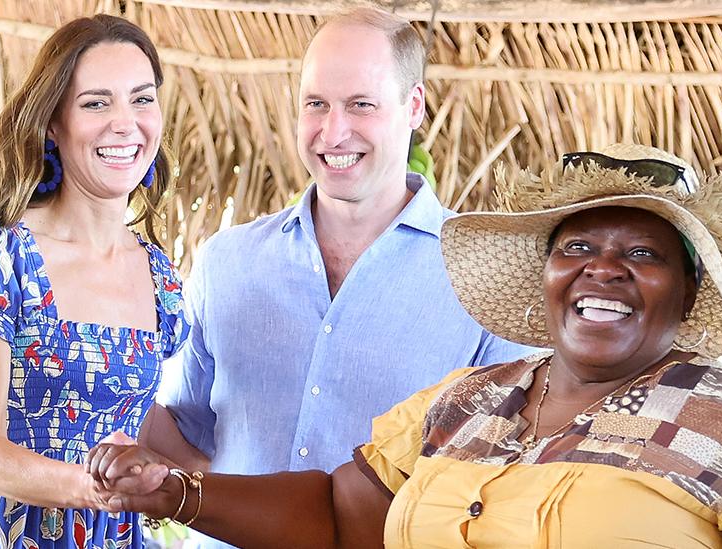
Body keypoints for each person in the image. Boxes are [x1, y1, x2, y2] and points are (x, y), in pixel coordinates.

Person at [91, 143, 722, 548]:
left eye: (642, 255)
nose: (602, 268)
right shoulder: (467, 400)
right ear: (548, 275)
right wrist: (176, 493)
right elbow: (334, 515)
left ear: (688, 289)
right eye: (577, 245)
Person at [140, 9, 531, 506]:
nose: (333, 131)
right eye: (316, 104)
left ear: (414, 107)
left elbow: (498, 482)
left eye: (361, 104)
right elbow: (181, 432)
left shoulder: (486, 279)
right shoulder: (227, 262)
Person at [0, 14, 188, 549]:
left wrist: (184, 476)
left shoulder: (160, 275)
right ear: (52, 122)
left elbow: (126, 408)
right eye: (95, 103)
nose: (125, 123)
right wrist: (94, 491)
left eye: (141, 98)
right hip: (3, 534)